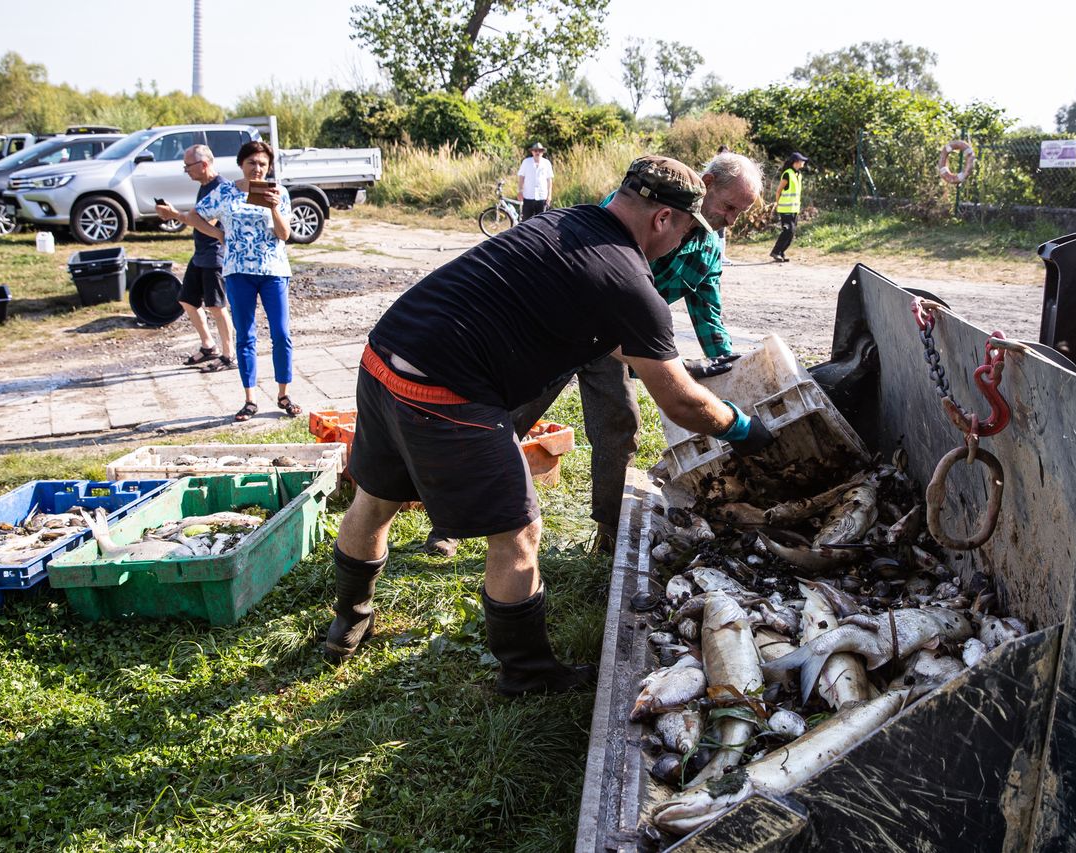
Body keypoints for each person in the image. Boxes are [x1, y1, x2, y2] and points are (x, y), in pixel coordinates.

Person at [324, 155, 774, 696]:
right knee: (517, 533)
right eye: (684, 229)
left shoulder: (563, 221)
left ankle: (348, 621)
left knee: (374, 501)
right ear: (661, 220)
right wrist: (747, 429)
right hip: (447, 391)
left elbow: (589, 325)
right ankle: (528, 674)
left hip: (385, 354)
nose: (684, 242)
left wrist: (667, 360)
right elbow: (683, 407)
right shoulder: (632, 281)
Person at [422, 151, 763, 559]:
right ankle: (450, 519)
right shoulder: (639, 203)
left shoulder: (707, 247)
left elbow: (707, 309)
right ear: (706, 184)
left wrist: (725, 365)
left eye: (739, 213)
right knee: (508, 418)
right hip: (565, 329)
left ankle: (610, 533)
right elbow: (592, 267)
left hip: (621, 341)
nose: (731, 220)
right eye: (728, 207)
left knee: (619, 426)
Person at [194, 140, 302, 422]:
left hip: (273, 271)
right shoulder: (226, 192)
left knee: (281, 334)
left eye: (263, 164)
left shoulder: (278, 192)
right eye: (252, 163)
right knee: (246, 336)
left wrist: (275, 208)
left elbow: (284, 234)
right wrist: (219, 235)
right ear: (241, 164)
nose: (257, 168)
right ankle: (250, 399)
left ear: (269, 168)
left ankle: (283, 394)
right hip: (238, 271)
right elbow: (196, 215)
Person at [156, 144, 235, 373]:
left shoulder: (220, 188)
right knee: (187, 300)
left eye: (187, 167)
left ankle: (229, 355)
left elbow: (207, 222)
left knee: (216, 306)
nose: (186, 171)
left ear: (203, 165)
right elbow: (195, 216)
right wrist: (181, 216)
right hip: (201, 253)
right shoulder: (204, 185)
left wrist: (174, 215)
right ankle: (208, 346)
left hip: (215, 256)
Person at [770, 151, 807, 262]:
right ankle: (775, 252)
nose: (803, 162)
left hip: (794, 209)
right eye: (801, 160)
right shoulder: (787, 174)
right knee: (787, 231)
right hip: (785, 209)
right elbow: (778, 191)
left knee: (791, 233)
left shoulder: (798, 175)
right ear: (795, 162)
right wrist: (777, 204)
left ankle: (781, 252)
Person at [516, 142, 554, 221]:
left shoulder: (547, 163)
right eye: (535, 150)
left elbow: (549, 180)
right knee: (526, 220)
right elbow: (521, 177)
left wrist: (549, 195)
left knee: (541, 221)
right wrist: (520, 191)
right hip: (528, 195)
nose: (537, 152)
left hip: (542, 196)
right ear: (532, 152)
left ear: (542, 152)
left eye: (539, 151)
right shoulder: (526, 162)